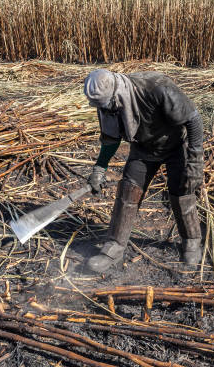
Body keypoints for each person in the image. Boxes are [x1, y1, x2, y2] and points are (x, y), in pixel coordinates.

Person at [83, 69, 204, 273]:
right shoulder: (106, 104)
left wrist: (195, 162)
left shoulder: (157, 88)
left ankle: (191, 240)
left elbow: (194, 121)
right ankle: (115, 247)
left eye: (108, 105)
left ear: (118, 94)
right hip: (143, 149)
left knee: (182, 190)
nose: (107, 110)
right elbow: (111, 138)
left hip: (176, 145)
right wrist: (99, 168)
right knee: (128, 191)